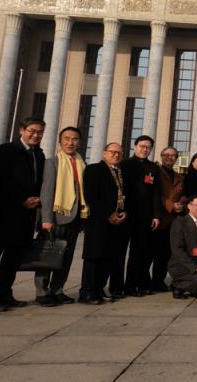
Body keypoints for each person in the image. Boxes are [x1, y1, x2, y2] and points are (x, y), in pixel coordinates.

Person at [0, 118, 45, 312]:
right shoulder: (6, 150)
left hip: (26, 216)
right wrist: (22, 199)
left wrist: (36, 200)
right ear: (22, 130)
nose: (36, 135)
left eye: (40, 132)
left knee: (13, 259)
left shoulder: (38, 154)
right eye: (32, 131)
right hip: (4, 215)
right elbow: (0, 180)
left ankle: (4, 293)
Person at [35, 126, 87, 307]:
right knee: (48, 255)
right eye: (67, 138)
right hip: (57, 217)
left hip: (74, 218)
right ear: (60, 141)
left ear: (79, 142)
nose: (70, 142)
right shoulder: (52, 162)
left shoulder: (81, 163)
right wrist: (46, 219)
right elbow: (47, 193)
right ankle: (42, 292)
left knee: (66, 256)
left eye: (74, 139)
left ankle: (57, 289)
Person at [79, 143, 127, 305]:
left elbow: (123, 195)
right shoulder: (94, 169)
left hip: (116, 222)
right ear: (104, 153)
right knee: (94, 257)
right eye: (112, 152)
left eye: (119, 153)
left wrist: (124, 211)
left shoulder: (120, 171)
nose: (116, 155)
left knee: (108, 258)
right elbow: (91, 196)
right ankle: (86, 292)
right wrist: (108, 214)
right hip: (98, 221)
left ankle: (99, 289)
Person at [120, 135, 162, 297]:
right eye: (142, 146)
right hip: (125, 215)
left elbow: (156, 193)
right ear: (135, 146)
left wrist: (156, 215)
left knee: (138, 253)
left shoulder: (153, 168)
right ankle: (117, 287)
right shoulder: (124, 165)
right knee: (120, 253)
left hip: (144, 217)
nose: (145, 149)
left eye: (148, 147)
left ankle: (132, 285)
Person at [152, 146, 186, 292]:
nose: (169, 157)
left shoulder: (178, 176)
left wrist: (181, 204)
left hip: (172, 220)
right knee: (153, 253)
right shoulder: (156, 171)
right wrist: (172, 205)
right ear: (161, 156)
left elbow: (183, 194)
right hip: (158, 218)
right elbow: (155, 194)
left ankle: (159, 281)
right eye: (166, 155)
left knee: (166, 253)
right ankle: (148, 282)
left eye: (173, 155)